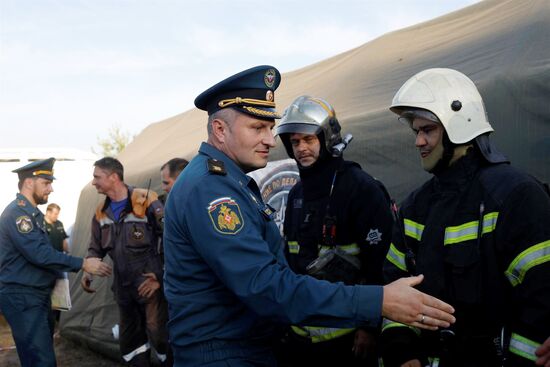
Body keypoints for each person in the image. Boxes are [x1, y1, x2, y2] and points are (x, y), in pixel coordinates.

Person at [163, 65, 456, 367]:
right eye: (257, 128)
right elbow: (265, 286)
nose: (271, 140)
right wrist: (378, 301)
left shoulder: (228, 182)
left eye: (270, 128)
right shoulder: (212, 190)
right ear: (220, 130)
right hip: (226, 354)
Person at [380, 68, 550, 366]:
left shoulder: (515, 196)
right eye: (416, 131)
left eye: (427, 130)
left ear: (460, 125)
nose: (418, 141)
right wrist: (403, 350)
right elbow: (396, 288)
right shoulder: (415, 207)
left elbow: (543, 301)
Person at [274, 95, 393, 366]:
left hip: (349, 341)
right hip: (302, 339)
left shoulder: (360, 188)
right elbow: (292, 263)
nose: (301, 148)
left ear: (327, 138)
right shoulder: (295, 195)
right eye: (294, 142)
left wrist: (369, 327)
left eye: (308, 139)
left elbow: (381, 264)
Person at [0, 157, 112, 367]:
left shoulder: (31, 214)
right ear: (29, 183)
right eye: (46, 183)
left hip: (35, 294)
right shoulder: (18, 215)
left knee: (37, 358)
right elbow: (40, 254)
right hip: (23, 297)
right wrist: (83, 263)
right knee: (42, 361)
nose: (50, 189)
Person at [81, 157, 172, 367]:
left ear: (114, 177)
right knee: (130, 341)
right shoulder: (100, 212)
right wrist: (88, 270)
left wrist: (160, 276)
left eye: (97, 177)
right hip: (123, 288)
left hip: (150, 286)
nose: (93, 182)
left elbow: (170, 239)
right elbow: (95, 247)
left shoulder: (146, 199)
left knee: (159, 334)